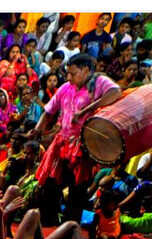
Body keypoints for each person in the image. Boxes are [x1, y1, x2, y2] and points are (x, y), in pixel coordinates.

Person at [29, 53, 121, 225]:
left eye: (73, 73)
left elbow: (116, 92)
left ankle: (70, 227)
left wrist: (87, 109)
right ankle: (49, 222)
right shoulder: (65, 87)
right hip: (62, 141)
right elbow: (48, 112)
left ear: (86, 70)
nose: (69, 77)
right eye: (68, 73)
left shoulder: (98, 82)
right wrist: (36, 131)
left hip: (83, 145)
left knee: (77, 189)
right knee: (49, 182)